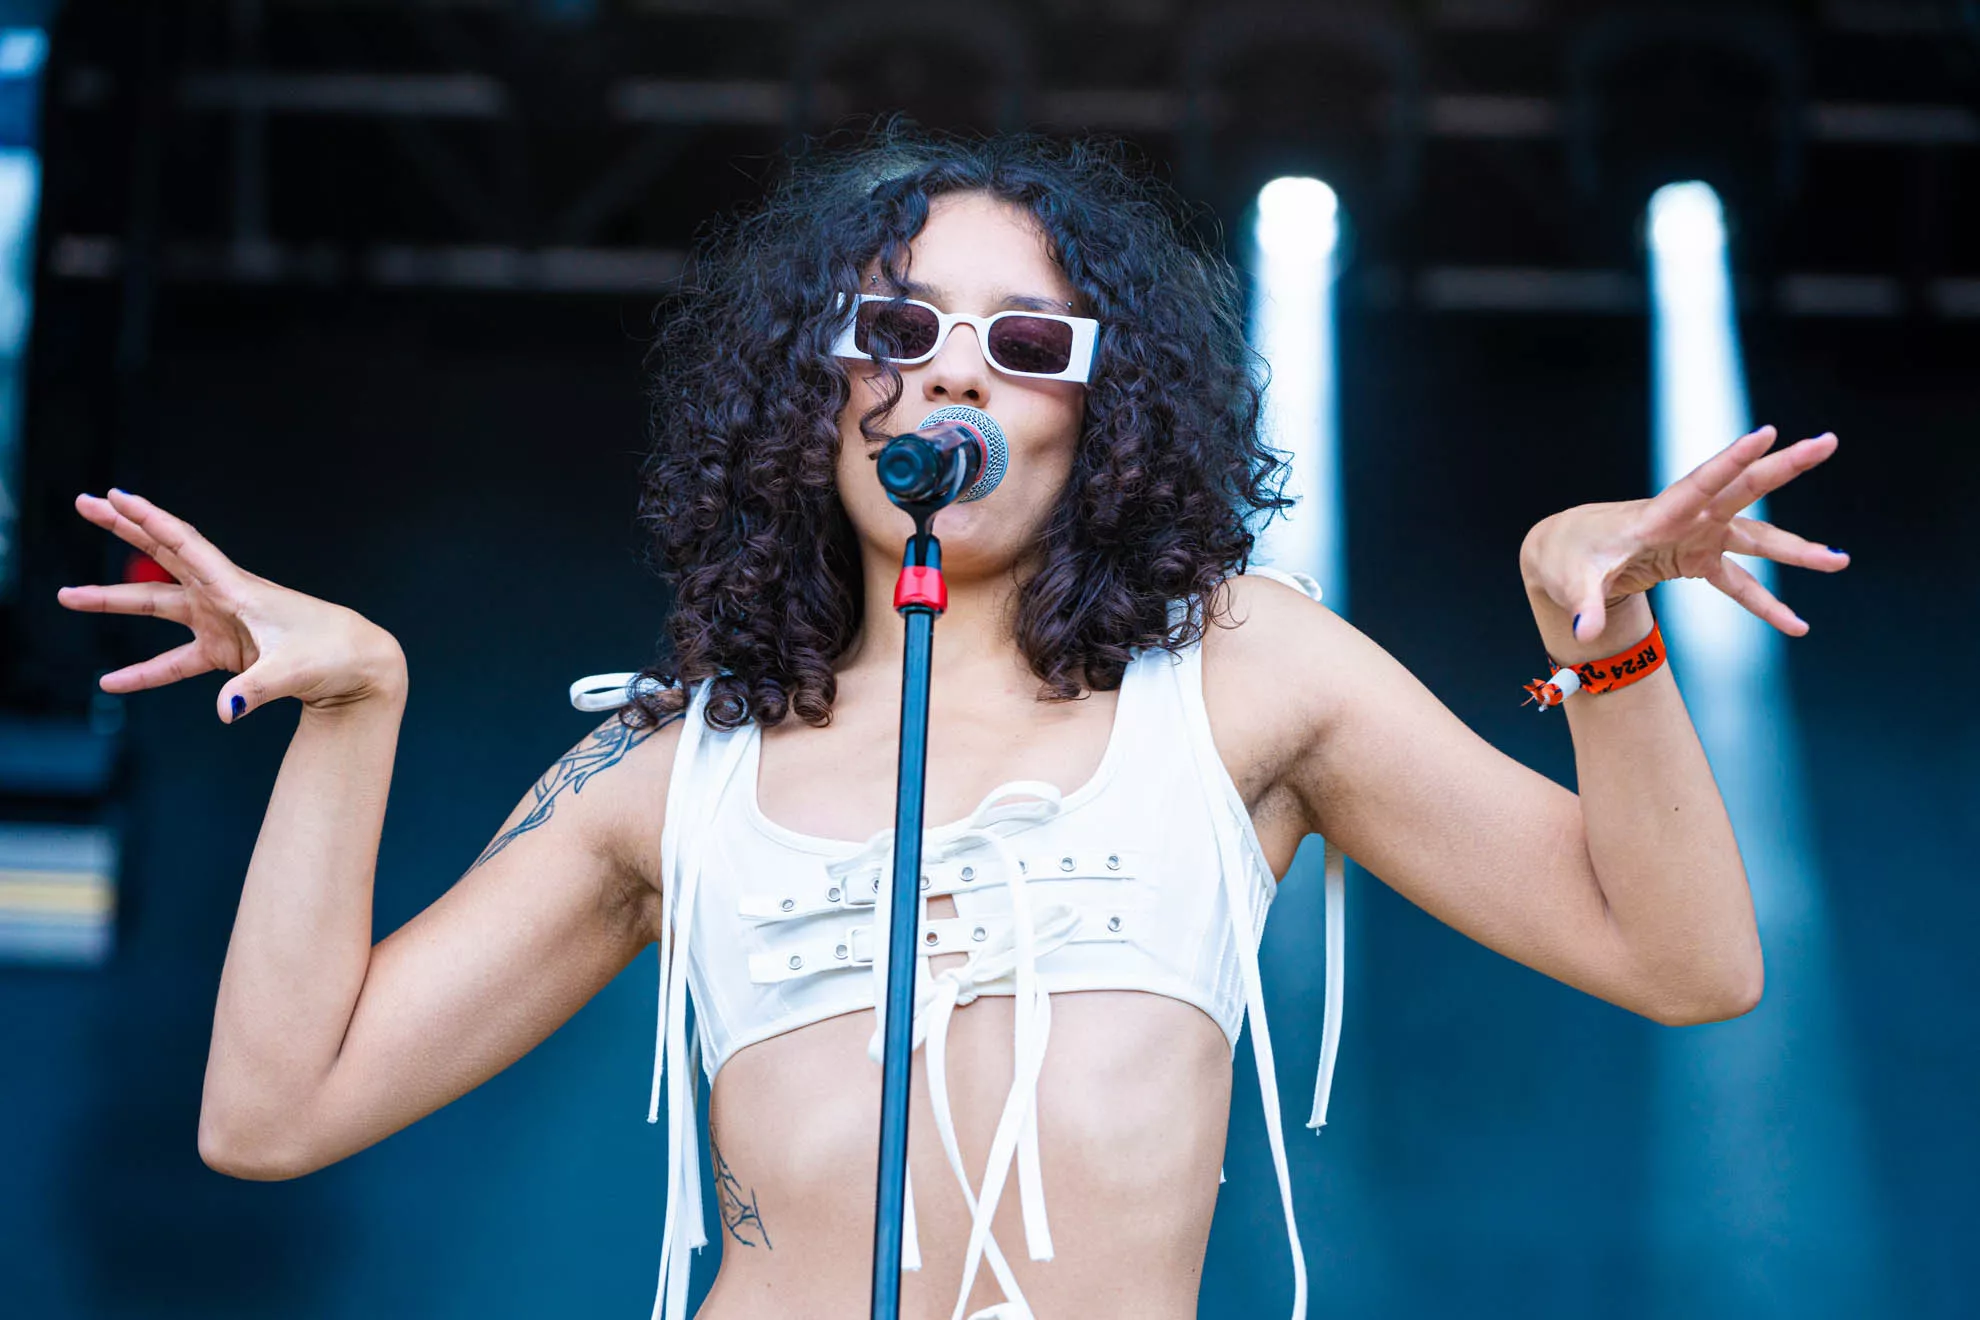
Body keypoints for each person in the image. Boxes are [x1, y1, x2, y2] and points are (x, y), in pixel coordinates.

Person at [56, 122, 1847, 1320]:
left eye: (1028, 344)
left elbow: (1685, 963)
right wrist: (353, 709)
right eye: (897, 326)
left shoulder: (1246, 672)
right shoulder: (677, 761)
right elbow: (271, 1115)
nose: (954, 372)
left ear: (1104, 417)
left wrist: (1602, 639)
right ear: (816, 385)